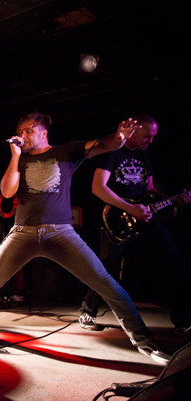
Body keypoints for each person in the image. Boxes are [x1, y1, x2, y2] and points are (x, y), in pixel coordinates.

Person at [0, 111, 172, 365]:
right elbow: (7, 191)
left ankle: (145, 342)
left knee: (107, 284)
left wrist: (120, 138)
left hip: (61, 232)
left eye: (28, 131)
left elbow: (105, 144)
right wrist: (15, 156)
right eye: (20, 131)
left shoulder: (67, 151)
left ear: (44, 133)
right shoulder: (20, 159)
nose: (22, 135)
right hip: (23, 232)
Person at [79, 114, 191, 335]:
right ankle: (87, 312)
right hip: (115, 218)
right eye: (147, 136)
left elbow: (149, 189)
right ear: (133, 132)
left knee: (174, 261)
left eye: (153, 137)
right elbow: (98, 188)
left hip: (145, 217)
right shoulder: (112, 151)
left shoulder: (144, 154)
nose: (150, 141)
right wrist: (130, 208)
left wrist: (172, 199)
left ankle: (182, 319)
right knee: (107, 268)